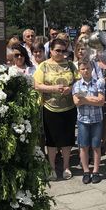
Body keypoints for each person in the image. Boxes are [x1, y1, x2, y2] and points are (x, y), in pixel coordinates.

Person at [34, 38, 78, 180]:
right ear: (51, 51)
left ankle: (66, 166)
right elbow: (37, 85)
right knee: (51, 140)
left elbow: (79, 82)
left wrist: (70, 89)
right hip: (50, 108)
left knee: (67, 139)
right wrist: (53, 88)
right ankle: (52, 168)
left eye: (63, 50)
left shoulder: (71, 65)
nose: (60, 53)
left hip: (69, 107)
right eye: (57, 50)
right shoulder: (44, 66)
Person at [72, 59, 105, 184]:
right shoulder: (77, 85)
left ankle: (96, 171)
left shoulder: (99, 84)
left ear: (92, 69)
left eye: (88, 68)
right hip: (83, 120)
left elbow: (101, 101)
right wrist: (92, 99)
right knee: (84, 146)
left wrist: (84, 99)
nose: (85, 71)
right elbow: (76, 102)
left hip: (97, 119)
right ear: (79, 70)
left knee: (96, 146)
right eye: (83, 69)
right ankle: (86, 171)